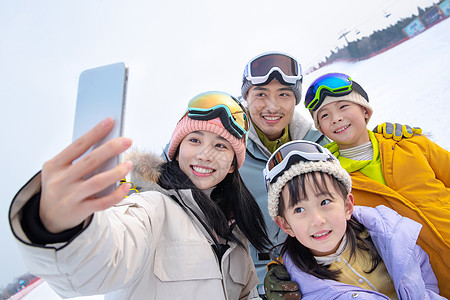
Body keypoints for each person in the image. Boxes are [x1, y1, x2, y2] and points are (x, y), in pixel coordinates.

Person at [9, 91, 272, 300]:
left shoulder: (235, 235)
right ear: (176, 150)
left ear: (232, 165)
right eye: (194, 140)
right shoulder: (151, 208)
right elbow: (99, 262)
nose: (205, 154)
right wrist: (58, 227)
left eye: (220, 146)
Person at [238, 51, 418, 288]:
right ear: (246, 98)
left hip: (350, 265)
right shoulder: (230, 154)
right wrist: (263, 282)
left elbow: (361, 156)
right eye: (261, 94)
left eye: (283, 94)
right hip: (284, 279)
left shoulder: (322, 143)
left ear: (294, 101)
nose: (272, 106)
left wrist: (385, 140)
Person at [303, 72, 450, 297]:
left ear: (365, 110)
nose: (336, 118)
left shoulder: (410, 145)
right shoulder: (330, 181)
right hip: (430, 286)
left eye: (343, 106)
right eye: (324, 115)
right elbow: (308, 224)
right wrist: (280, 266)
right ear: (321, 129)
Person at [264, 140, 444, 299]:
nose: (317, 220)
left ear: (347, 206)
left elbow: (423, 275)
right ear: (285, 225)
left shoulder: (388, 235)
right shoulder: (293, 289)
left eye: (325, 201)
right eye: (299, 209)